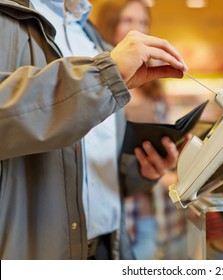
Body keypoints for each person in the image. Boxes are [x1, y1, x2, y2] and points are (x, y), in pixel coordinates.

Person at [0, 0, 188, 260]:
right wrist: (101, 77)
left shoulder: (92, 37)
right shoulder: (7, 20)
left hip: (110, 247)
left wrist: (140, 171)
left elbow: (90, 164)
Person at [93, 0, 188, 260]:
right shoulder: (95, 82)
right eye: (128, 21)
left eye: (143, 22)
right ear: (110, 26)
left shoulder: (153, 84)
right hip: (124, 210)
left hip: (162, 211)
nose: (137, 30)